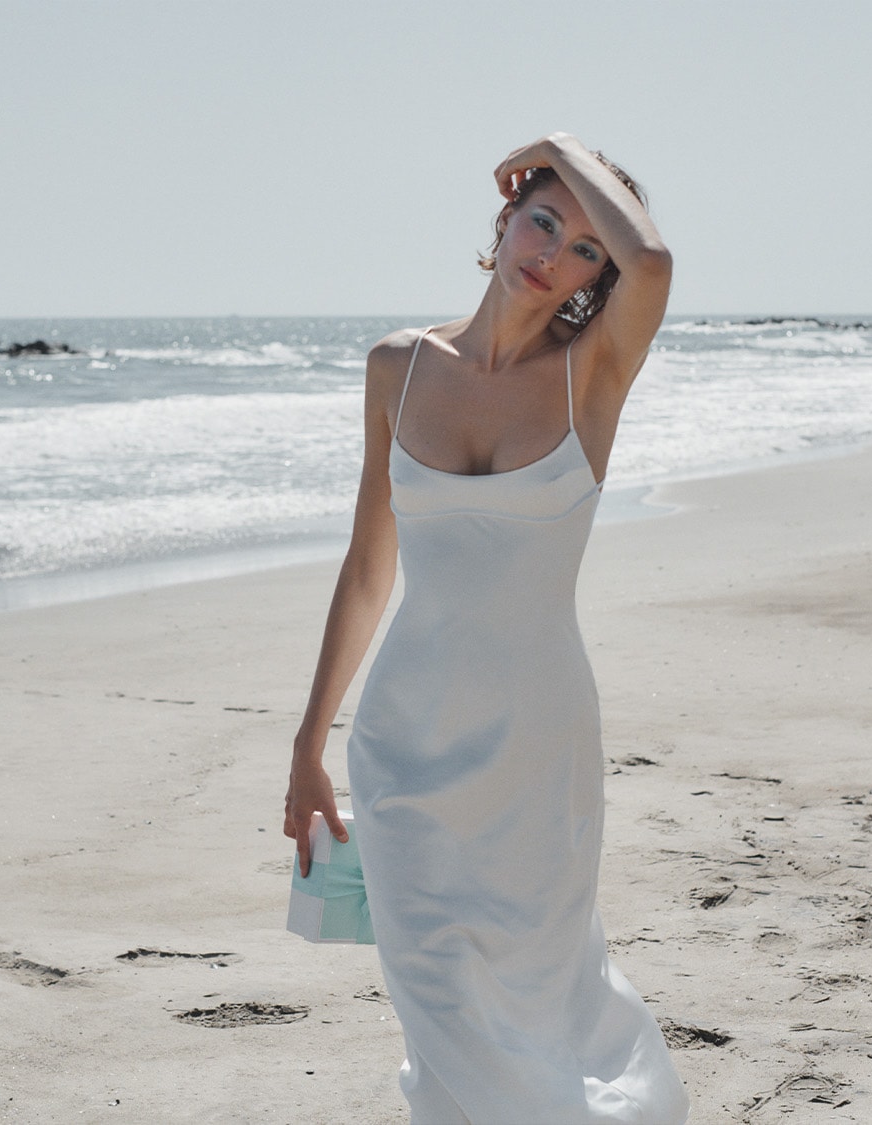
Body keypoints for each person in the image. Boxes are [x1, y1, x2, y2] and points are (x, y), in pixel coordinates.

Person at [284, 132, 689, 1123]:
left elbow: (659, 262)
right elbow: (370, 566)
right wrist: (310, 742)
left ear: (598, 276)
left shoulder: (590, 377)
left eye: (584, 247)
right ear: (505, 217)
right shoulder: (398, 367)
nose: (552, 249)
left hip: (538, 755)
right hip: (402, 751)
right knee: (441, 1011)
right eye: (542, 217)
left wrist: (555, 144)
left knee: (542, 997)